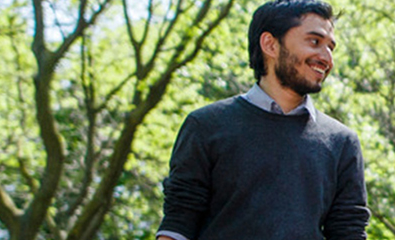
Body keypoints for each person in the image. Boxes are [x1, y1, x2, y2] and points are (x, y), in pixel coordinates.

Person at [155, 0, 368, 239]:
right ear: (270, 44)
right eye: (315, 42)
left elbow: (348, 231)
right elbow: (178, 224)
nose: (326, 57)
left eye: (331, 47)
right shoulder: (205, 125)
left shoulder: (342, 142)